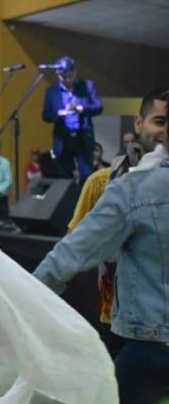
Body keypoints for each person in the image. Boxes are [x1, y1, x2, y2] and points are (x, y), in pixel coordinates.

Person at [33, 91, 169, 404]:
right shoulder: (109, 181)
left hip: (149, 347)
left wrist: (21, 298)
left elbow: (72, 253)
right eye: (158, 121)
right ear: (139, 122)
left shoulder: (133, 188)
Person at [64, 86, 167, 358]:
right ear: (138, 122)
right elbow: (73, 250)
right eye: (159, 121)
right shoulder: (101, 183)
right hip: (119, 321)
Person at [41, 56, 103, 184]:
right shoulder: (51, 91)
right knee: (64, 179)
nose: (67, 80)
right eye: (64, 77)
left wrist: (82, 108)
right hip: (63, 139)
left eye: (70, 76)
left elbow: (99, 107)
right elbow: (46, 115)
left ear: (75, 72)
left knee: (86, 176)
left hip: (82, 137)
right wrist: (59, 114)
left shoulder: (87, 86)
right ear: (58, 75)